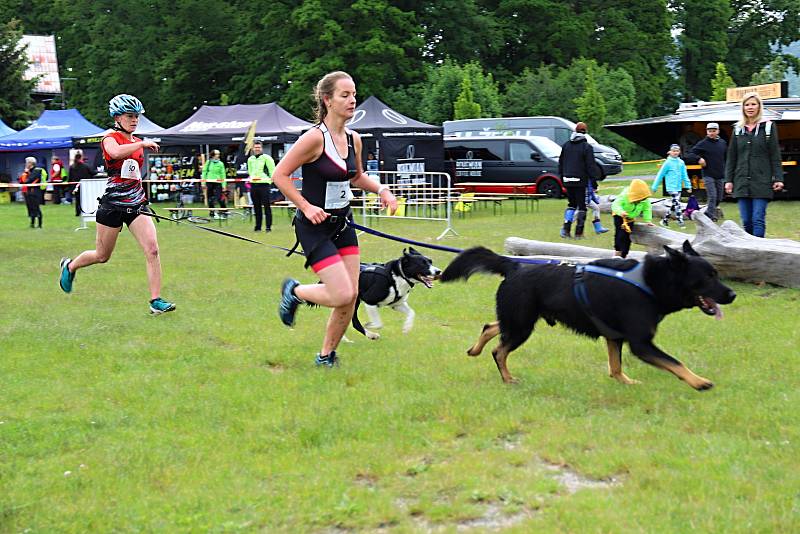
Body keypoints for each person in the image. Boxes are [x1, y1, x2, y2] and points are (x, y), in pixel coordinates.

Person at [273, 71, 397, 368]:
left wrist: (382, 190)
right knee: (341, 293)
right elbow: (280, 175)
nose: (352, 100)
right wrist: (305, 206)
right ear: (327, 100)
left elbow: (356, 177)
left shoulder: (354, 139)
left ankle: (326, 356)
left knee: (351, 296)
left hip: (343, 225)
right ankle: (296, 291)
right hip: (314, 227)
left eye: (354, 94)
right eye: (345, 95)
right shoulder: (314, 139)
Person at [58, 94, 176, 315]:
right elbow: (114, 153)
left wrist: (138, 146)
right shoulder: (109, 137)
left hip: (137, 204)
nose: (134, 120)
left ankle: (155, 300)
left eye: (137, 117)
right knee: (102, 256)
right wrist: (141, 143)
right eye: (130, 116)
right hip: (112, 205)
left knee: (152, 250)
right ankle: (70, 266)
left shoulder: (135, 141)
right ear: (117, 117)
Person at [725, 92, 784, 237]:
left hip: (761, 181)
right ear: (743, 108)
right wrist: (728, 180)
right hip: (741, 180)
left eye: (753, 104)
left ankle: (759, 251)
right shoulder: (738, 129)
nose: (750, 107)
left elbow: (775, 155)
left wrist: (778, 178)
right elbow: (731, 157)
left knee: (758, 219)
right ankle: (749, 251)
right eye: (747, 104)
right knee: (746, 221)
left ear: (759, 107)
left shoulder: (768, 127)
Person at [558, 121, 599, 239]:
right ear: (585, 133)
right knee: (582, 207)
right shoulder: (587, 147)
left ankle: (566, 230)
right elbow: (590, 166)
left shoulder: (566, 145)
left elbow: (561, 163)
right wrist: (594, 182)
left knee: (571, 205)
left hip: (567, 179)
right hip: (580, 181)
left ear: (575, 131)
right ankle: (579, 233)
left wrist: (562, 178)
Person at [686, 122, 728, 221]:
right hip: (708, 174)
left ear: (718, 131)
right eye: (709, 131)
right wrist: (699, 159)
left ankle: (708, 211)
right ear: (707, 131)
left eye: (714, 131)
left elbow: (726, 157)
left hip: (720, 174)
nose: (712, 133)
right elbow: (690, 154)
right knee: (712, 196)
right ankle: (710, 216)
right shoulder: (703, 143)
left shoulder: (722, 143)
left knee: (719, 197)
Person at [651, 144, 692, 228]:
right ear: (670, 152)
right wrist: (654, 187)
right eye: (673, 151)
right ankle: (680, 222)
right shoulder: (667, 163)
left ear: (679, 152)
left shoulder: (681, 162)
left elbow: (685, 175)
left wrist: (688, 186)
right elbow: (660, 175)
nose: (675, 153)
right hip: (670, 187)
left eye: (677, 151)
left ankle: (664, 220)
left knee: (674, 205)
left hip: (678, 187)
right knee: (677, 204)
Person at [611, 179, 654, 258]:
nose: (641, 201)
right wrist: (621, 212)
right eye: (639, 200)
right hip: (619, 216)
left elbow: (647, 209)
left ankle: (624, 254)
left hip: (630, 218)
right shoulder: (624, 196)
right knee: (620, 234)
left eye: (642, 199)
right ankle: (618, 251)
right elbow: (615, 205)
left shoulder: (644, 200)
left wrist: (648, 220)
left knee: (627, 236)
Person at [247, 141, 276, 232]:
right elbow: (250, 171)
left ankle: (268, 227)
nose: (257, 149)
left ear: (262, 148)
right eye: (255, 147)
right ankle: (258, 227)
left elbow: (272, 171)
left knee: (266, 206)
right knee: (256, 207)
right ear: (253, 148)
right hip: (254, 185)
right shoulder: (250, 159)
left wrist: (270, 181)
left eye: (259, 147)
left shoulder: (267, 158)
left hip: (264, 185)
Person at [69, 151, 96, 217]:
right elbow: (93, 172)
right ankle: (85, 211)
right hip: (85, 186)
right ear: (81, 158)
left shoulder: (72, 166)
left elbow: (70, 177)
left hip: (75, 186)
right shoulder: (85, 166)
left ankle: (77, 212)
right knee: (85, 199)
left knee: (77, 199)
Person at [21, 157, 46, 228]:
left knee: (36, 208)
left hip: (35, 192)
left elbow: (29, 180)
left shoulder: (37, 170)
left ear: (30, 163)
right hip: (28, 191)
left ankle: (40, 224)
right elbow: (22, 181)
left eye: (27, 162)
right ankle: (32, 224)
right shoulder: (29, 171)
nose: (26, 164)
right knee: (30, 208)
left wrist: (26, 173)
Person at [202, 149, 227, 217]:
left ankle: (224, 211)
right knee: (210, 199)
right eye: (216, 154)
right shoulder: (208, 162)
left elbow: (223, 175)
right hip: (209, 182)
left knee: (219, 198)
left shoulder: (221, 163)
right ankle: (212, 212)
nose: (217, 156)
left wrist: (224, 185)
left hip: (218, 182)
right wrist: (203, 183)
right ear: (212, 155)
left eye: (218, 154)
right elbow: (204, 172)